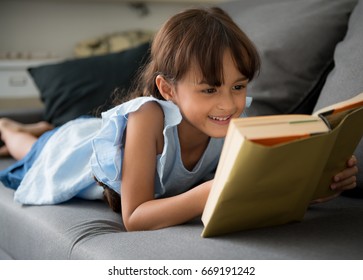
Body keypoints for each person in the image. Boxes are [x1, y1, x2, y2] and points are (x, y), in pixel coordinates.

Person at [0, 7, 358, 231]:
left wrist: (316, 185)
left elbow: (258, 188)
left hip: (96, 133)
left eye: (238, 86)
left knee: (53, 134)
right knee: (30, 149)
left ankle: (40, 127)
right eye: (209, 90)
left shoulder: (233, 121)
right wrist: (206, 194)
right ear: (168, 89)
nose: (228, 104)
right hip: (74, 150)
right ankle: (11, 127)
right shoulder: (148, 117)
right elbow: (135, 216)